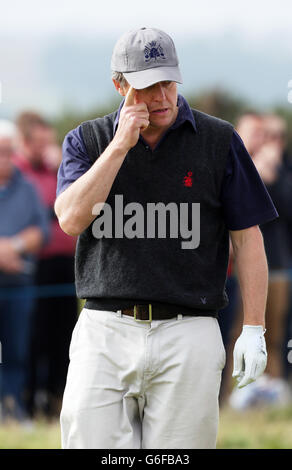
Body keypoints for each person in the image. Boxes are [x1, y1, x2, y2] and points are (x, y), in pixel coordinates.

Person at [55, 27, 278, 449]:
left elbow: (248, 240)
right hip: (105, 328)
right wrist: (120, 146)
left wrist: (254, 328)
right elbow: (70, 219)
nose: (160, 97)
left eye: (168, 82)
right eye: (146, 85)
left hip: (190, 329)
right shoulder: (88, 141)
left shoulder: (219, 140)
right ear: (120, 85)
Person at [13, 112, 78, 418]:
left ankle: (55, 401)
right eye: (40, 143)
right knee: (32, 337)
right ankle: (25, 402)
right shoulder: (17, 174)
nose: (46, 148)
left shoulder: (57, 170)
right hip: (33, 268)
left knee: (63, 336)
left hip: (66, 265)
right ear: (24, 142)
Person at [0, 119, 49, 421]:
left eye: (7, 152)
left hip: (19, 283)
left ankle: (13, 407)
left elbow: (39, 231)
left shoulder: (27, 187)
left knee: (17, 349)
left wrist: (11, 248)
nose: (4, 159)